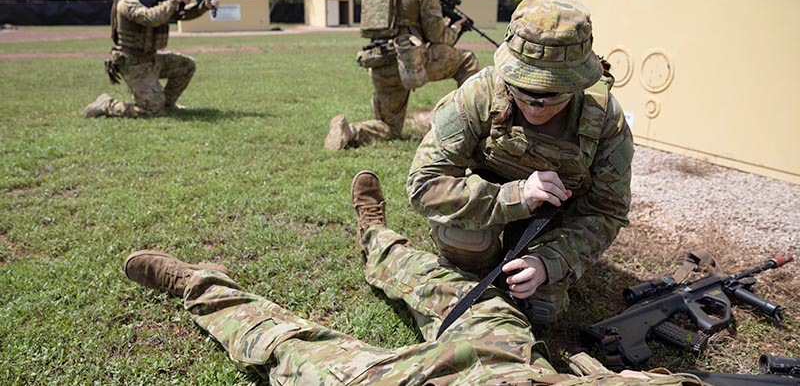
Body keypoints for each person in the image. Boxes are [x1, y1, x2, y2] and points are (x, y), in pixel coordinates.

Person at [124, 171, 702, 385]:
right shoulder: (480, 100)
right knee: (446, 284)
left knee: (294, 351)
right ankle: (375, 238)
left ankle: (198, 286)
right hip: (512, 363)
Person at [407, 0, 634, 325]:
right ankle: (480, 274)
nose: (534, 105)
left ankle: (522, 274)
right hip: (487, 207)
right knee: (464, 241)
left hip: (553, 223)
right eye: (522, 88)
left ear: (580, 81)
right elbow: (423, 185)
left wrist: (549, 262)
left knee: (543, 308)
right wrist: (513, 197)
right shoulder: (479, 95)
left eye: (551, 93)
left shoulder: (603, 119)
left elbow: (607, 210)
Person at [324, 0, 480, 150]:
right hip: (413, 63)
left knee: (388, 127)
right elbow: (438, 36)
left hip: (380, 62)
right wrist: (454, 28)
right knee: (467, 60)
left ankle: (350, 131)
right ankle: (473, 125)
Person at [81, 0, 219, 118]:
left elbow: (181, 15)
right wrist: (174, 1)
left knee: (186, 65)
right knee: (151, 110)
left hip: (152, 59)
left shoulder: (158, 2)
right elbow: (150, 18)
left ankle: (167, 104)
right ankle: (107, 105)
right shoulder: (127, 3)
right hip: (133, 63)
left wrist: (203, 6)